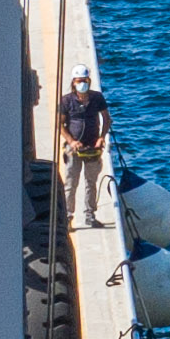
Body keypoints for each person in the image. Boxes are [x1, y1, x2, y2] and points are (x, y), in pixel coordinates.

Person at [56, 73, 112, 229]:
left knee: (91, 182)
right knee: (71, 183)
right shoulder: (66, 101)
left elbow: (106, 119)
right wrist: (71, 141)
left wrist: (101, 138)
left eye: (85, 80)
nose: (82, 83)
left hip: (92, 148)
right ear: (74, 82)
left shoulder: (97, 98)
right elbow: (60, 125)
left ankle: (90, 215)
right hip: (74, 149)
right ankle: (68, 217)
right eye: (79, 81)